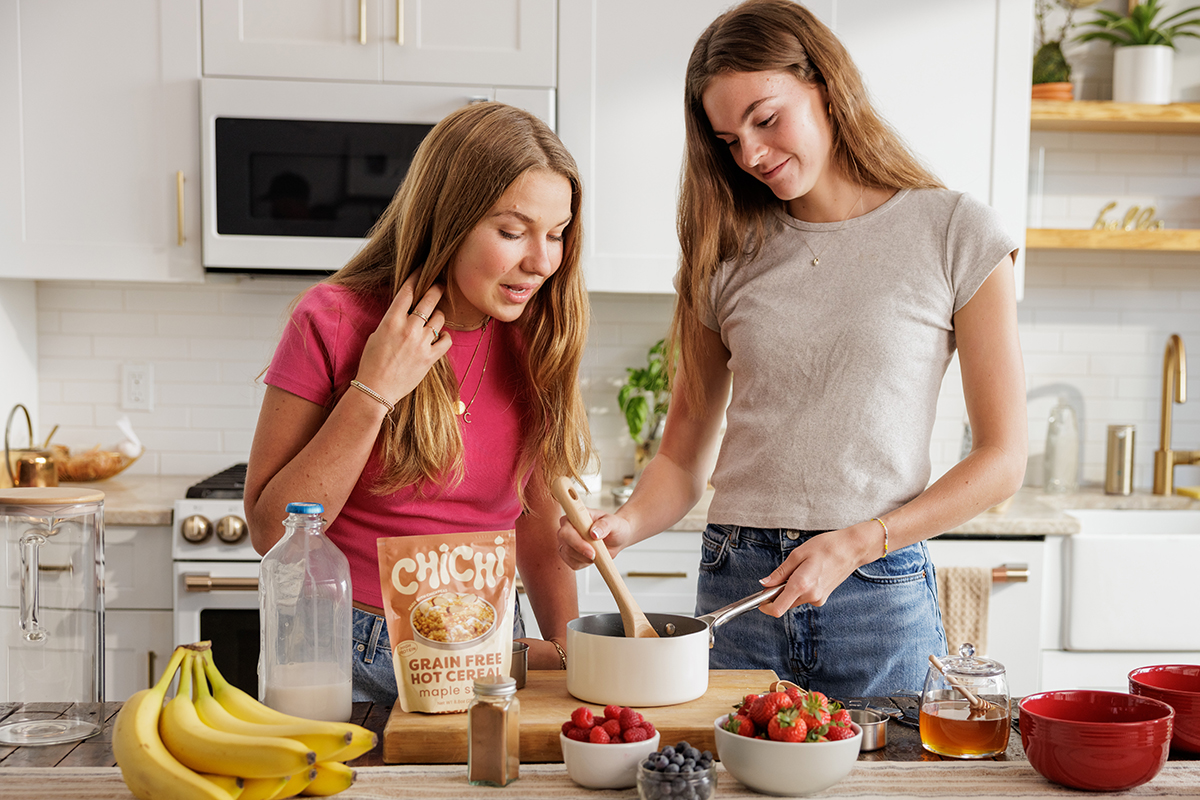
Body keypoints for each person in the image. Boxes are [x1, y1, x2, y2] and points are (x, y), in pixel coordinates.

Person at [556, 0, 1027, 698]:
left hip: (876, 589)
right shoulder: (724, 255)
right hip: (736, 586)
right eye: (727, 139)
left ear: (827, 87)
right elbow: (683, 454)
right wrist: (623, 524)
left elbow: (1002, 462)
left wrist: (861, 540)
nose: (750, 154)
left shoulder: (954, 232)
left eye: (766, 119)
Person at [245, 102, 592, 708]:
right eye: (511, 231)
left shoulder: (538, 333)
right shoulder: (332, 320)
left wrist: (571, 654)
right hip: (344, 651)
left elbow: (535, 523)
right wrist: (374, 389)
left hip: (486, 649)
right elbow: (271, 530)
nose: (540, 261)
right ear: (447, 219)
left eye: (556, 234)